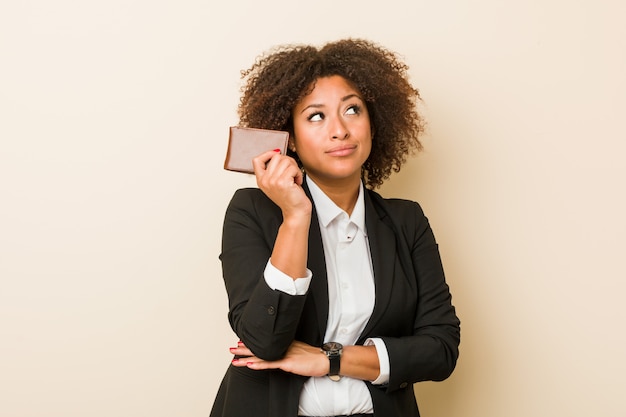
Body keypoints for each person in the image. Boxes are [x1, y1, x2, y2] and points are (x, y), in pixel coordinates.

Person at [210, 38, 460, 417]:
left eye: (352, 110)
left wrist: (331, 359)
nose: (339, 130)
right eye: (316, 116)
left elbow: (440, 350)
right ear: (288, 138)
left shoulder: (407, 221)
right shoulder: (252, 211)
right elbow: (263, 339)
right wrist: (295, 216)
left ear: (374, 123)